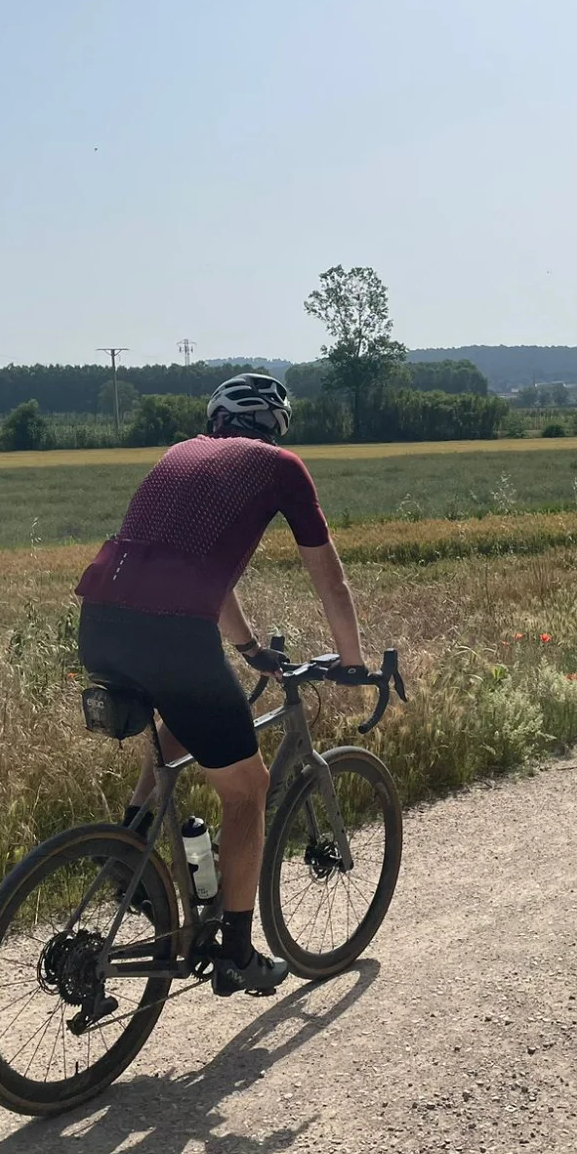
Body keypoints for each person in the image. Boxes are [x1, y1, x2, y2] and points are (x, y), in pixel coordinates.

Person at [73, 372, 368, 997]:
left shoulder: (179, 453)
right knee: (248, 788)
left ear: (218, 419)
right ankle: (236, 950)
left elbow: (210, 575)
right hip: (172, 633)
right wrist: (352, 660)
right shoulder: (281, 467)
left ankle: (129, 842)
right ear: (275, 426)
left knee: (178, 728)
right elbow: (331, 581)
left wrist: (249, 648)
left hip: (99, 619)